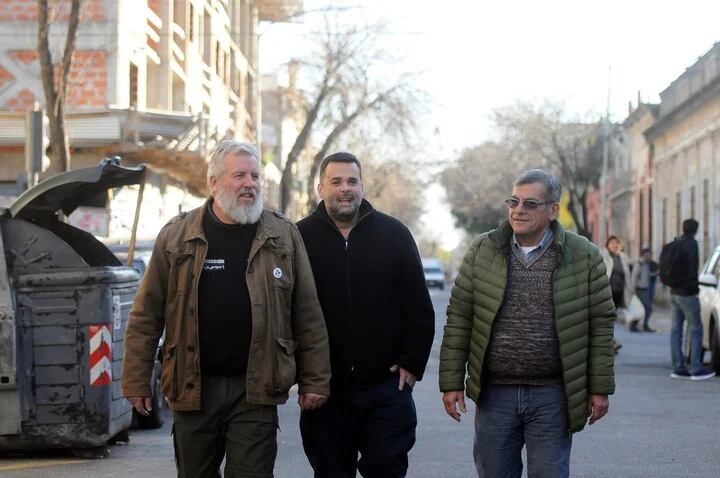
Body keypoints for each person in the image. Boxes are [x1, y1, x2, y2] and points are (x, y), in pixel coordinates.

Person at [121, 140, 331, 478]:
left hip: (257, 387)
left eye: (255, 176)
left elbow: (306, 312)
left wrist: (315, 379)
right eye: (240, 175)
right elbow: (146, 315)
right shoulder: (176, 236)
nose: (250, 184)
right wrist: (135, 380)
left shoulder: (283, 235)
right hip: (192, 385)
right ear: (214, 182)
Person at [439, 169, 616, 478]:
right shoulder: (484, 250)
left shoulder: (583, 255)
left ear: (553, 210)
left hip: (553, 395)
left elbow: (600, 323)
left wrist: (599, 388)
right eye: (514, 201)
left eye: (530, 203)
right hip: (495, 394)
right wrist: (451, 382)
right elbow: (460, 317)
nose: (519, 210)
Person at [297, 152, 435, 477]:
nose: (345, 188)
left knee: (387, 470)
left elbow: (418, 306)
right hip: (325, 390)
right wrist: (301, 373)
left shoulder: (395, 234)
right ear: (320, 188)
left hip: (386, 389)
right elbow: (283, 310)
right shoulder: (298, 238)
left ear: (362, 185)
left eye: (352, 181)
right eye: (336, 181)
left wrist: (412, 363)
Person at [668, 219, 715, 380]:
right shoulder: (692, 245)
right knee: (696, 329)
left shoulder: (677, 243)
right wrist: (695, 291)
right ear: (695, 230)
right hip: (687, 293)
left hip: (673, 292)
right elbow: (692, 270)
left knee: (676, 331)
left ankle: (677, 368)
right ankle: (696, 368)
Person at [601, 235, 641, 332]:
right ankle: (607, 335)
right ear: (608, 245)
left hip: (620, 291)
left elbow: (631, 271)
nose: (616, 245)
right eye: (613, 243)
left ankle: (611, 336)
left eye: (618, 243)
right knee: (607, 315)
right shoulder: (602, 256)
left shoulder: (623, 257)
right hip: (607, 291)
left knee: (615, 314)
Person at [632, 246, 659, 332]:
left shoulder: (646, 265)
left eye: (650, 255)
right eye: (648, 255)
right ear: (643, 255)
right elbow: (634, 278)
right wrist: (632, 291)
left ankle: (640, 325)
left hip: (645, 289)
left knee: (644, 308)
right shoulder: (639, 264)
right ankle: (638, 325)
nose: (649, 257)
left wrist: (654, 274)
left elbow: (646, 275)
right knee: (647, 308)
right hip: (639, 290)